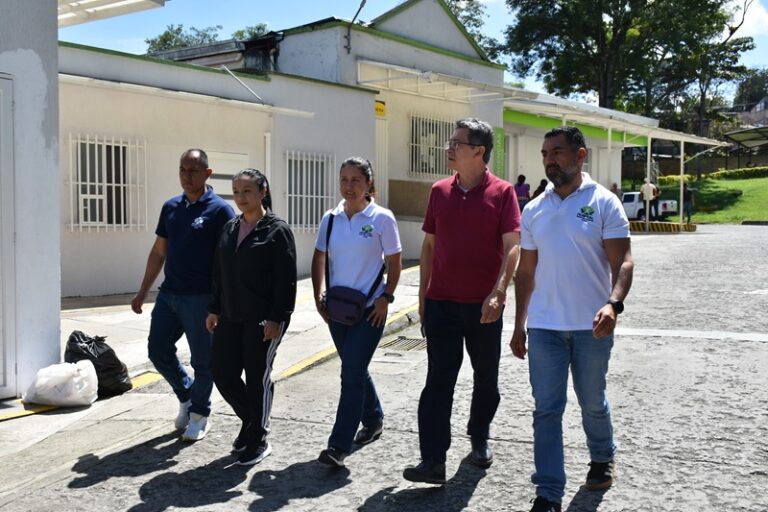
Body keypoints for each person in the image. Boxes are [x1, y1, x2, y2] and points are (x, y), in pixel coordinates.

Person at [510, 126, 634, 512]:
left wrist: (613, 304)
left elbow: (623, 261)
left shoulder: (604, 202)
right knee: (546, 408)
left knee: (591, 400)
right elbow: (526, 273)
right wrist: (519, 324)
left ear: (581, 156)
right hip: (545, 326)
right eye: (545, 153)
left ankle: (601, 454)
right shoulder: (534, 208)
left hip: (591, 326)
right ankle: (548, 492)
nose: (549, 159)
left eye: (558, 152)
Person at [403, 118, 521, 485]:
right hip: (441, 304)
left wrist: (499, 292)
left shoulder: (502, 193)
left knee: (487, 380)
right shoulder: (439, 191)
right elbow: (429, 245)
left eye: (456, 143)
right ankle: (433, 461)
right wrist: (423, 296)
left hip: (484, 307)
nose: (448, 148)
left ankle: (479, 435)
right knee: (438, 381)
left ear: (478, 151)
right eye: (450, 142)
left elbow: (512, 246)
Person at [131, 149, 235, 441]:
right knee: (157, 349)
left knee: (204, 361)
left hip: (201, 299)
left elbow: (228, 260)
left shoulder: (219, 210)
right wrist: (142, 291)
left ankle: (200, 415)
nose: (187, 177)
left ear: (207, 174)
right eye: (182, 170)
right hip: (169, 295)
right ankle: (187, 396)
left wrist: (222, 302)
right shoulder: (171, 207)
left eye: (193, 171)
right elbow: (158, 252)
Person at [311, 157, 402, 468]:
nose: (349, 186)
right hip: (337, 310)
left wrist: (386, 298)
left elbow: (395, 262)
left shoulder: (382, 218)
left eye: (356, 180)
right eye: (344, 179)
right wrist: (317, 294)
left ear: (369, 184)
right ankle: (373, 418)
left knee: (349, 373)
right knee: (355, 369)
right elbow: (319, 257)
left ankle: (338, 446)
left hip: (370, 310)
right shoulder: (331, 218)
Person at [206, 169, 297, 466]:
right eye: (236, 191)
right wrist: (214, 308)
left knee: (257, 378)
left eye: (247, 191)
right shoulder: (230, 228)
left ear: (262, 191)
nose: (241, 197)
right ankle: (252, 422)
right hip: (231, 315)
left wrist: (277, 318)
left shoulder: (277, 230)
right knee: (222, 373)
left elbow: (286, 281)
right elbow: (220, 273)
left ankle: (258, 438)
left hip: (263, 319)